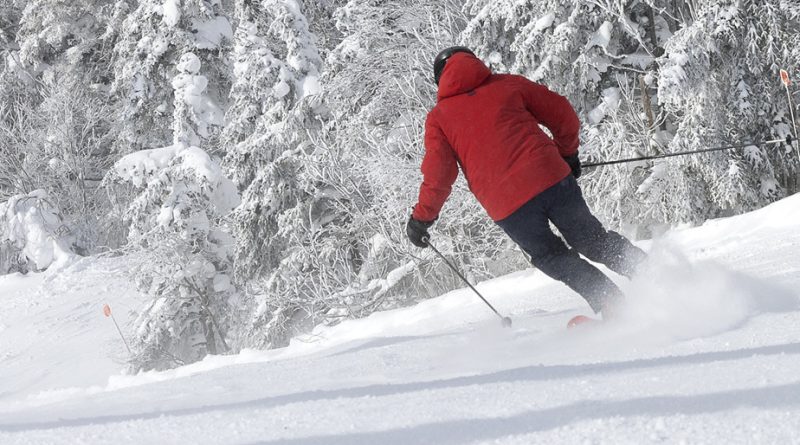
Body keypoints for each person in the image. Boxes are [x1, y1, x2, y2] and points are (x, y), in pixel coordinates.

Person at [406, 46, 646, 317]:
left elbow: (439, 174)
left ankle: (611, 303)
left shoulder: (439, 118)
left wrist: (422, 219)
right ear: (474, 62)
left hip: (508, 204)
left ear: (440, 79)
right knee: (590, 239)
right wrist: (567, 154)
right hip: (551, 177)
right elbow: (561, 112)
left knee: (552, 256)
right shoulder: (507, 84)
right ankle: (652, 273)